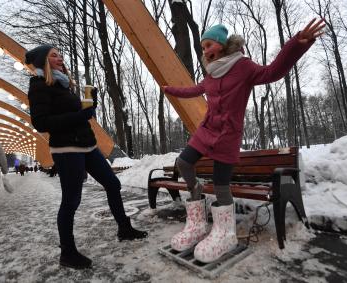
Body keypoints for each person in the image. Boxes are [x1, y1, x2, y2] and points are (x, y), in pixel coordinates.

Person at [162, 19, 325, 263]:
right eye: (203, 47)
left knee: (220, 184)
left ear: (221, 44)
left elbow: (273, 72)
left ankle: (225, 234)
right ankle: (196, 218)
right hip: (206, 130)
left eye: (208, 45)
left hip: (228, 135)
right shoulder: (211, 72)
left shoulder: (243, 66)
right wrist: (169, 90)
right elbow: (193, 90)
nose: (205, 51)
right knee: (184, 163)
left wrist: (296, 45)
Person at [25, 44, 147, 270]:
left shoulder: (63, 84)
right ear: (43, 61)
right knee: (71, 201)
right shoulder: (39, 86)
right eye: (54, 55)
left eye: (60, 55)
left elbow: (74, 115)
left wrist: (89, 108)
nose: (60, 58)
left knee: (112, 183)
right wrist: (79, 115)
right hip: (66, 149)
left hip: (87, 145)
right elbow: (41, 123)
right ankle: (68, 253)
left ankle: (124, 228)